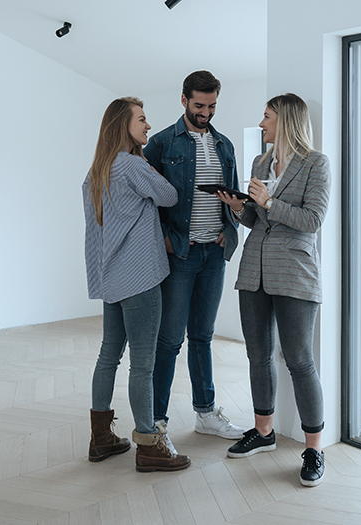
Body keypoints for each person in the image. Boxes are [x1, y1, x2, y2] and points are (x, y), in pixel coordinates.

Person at [217, 94, 330, 487]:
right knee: (258, 354)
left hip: (295, 272)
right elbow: (256, 219)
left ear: (286, 121)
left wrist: (268, 201)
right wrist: (239, 208)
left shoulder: (316, 163)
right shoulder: (260, 163)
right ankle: (263, 432)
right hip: (254, 271)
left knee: (299, 360)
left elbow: (313, 220)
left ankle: (314, 449)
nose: (262, 123)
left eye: (267, 117)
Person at [83, 97, 191, 473]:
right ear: (122, 126)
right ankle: (149, 445)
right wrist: (149, 167)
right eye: (142, 119)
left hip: (111, 278)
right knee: (143, 365)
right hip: (140, 278)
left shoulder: (96, 172)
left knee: (108, 357)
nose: (148, 126)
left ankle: (101, 438)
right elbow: (170, 196)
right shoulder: (131, 165)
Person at [143, 71, 246, 440]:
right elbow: (144, 201)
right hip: (179, 255)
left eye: (212, 105)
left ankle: (206, 414)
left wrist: (230, 226)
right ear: (184, 100)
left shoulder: (224, 146)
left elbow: (234, 199)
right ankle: (156, 422)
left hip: (213, 255)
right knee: (169, 340)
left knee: (202, 336)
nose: (206, 112)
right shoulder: (160, 144)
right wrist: (164, 240)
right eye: (199, 105)